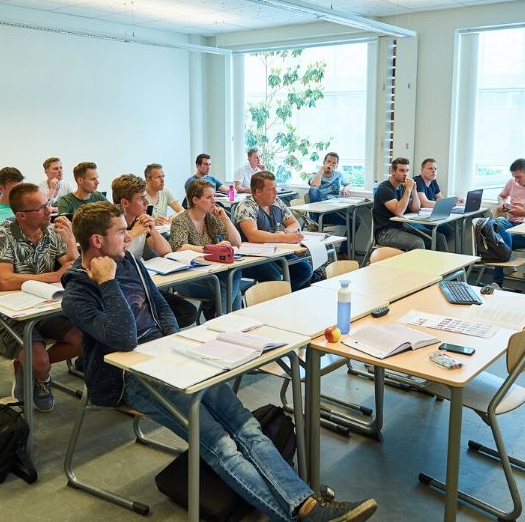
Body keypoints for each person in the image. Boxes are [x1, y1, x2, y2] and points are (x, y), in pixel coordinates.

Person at [61, 201, 378, 522]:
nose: (128, 237)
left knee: (247, 426)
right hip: (128, 375)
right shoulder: (78, 291)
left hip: (167, 356)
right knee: (219, 443)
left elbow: (162, 306)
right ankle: (299, 516)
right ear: (97, 241)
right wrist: (107, 283)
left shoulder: (128, 261)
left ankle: (306, 504)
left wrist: (172, 343)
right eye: (120, 232)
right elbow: (124, 337)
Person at [0, 183, 82, 411]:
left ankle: (30, 367)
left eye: (48, 204)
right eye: (42, 207)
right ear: (21, 215)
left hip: (46, 307)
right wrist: (54, 276)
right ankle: (39, 372)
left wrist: (70, 239)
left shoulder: (50, 231)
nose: (50, 210)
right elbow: (6, 281)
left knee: (84, 339)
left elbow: (75, 269)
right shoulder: (0, 235)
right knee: (39, 362)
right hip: (9, 314)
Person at [111, 173, 197, 327]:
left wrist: (153, 230)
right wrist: (135, 232)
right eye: (141, 199)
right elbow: (113, 254)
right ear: (125, 202)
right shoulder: (110, 223)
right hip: (121, 288)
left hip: (142, 283)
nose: (146, 203)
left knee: (188, 312)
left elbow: (166, 251)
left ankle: (151, 328)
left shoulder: (141, 220)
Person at [170, 180, 242, 316]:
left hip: (210, 273)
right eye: (209, 197)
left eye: (214, 196)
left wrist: (226, 220)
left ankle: (220, 318)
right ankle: (221, 319)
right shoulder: (180, 220)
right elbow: (180, 247)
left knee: (234, 277)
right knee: (231, 287)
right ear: (195, 200)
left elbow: (236, 242)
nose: (214, 200)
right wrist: (212, 249)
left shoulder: (210, 217)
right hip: (188, 278)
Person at [234, 171, 313, 292]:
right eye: (271, 189)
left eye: (275, 188)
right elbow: (253, 235)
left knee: (305, 270)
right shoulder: (246, 206)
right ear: (258, 192)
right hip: (250, 255)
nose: (276, 192)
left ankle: (283, 296)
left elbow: (294, 224)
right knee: (274, 277)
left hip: (275, 251)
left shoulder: (277, 202)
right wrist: (282, 238)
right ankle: (275, 296)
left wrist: (285, 232)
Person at [372, 157, 434, 252]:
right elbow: (399, 211)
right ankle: (418, 267)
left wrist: (414, 190)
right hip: (385, 232)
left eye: (407, 170)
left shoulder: (402, 187)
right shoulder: (384, 188)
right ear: (392, 171)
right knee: (418, 242)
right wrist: (408, 190)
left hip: (401, 227)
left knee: (437, 237)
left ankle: (443, 266)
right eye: (401, 170)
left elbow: (416, 209)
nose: (405, 174)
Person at [413, 158, 455, 251]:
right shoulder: (417, 181)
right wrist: (448, 203)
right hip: (415, 220)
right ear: (422, 170)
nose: (434, 171)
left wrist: (454, 201)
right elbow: (425, 203)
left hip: (428, 218)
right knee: (439, 237)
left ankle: (434, 251)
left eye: (435, 169)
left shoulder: (433, 181)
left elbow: (441, 198)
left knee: (450, 229)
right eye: (430, 168)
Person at [307, 152, 351, 226]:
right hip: (320, 211)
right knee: (313, 190)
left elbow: (349, 184)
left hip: (333, 210)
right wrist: (321, 169)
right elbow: (314, 184)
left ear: (336, 165)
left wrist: (345, 189)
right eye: (328, 161)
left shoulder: (338, 175)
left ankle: (346, 238)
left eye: (334, 163)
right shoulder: (314, 175)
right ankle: (315, 222)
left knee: (355, 221)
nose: (331, 164)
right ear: (324, 162)